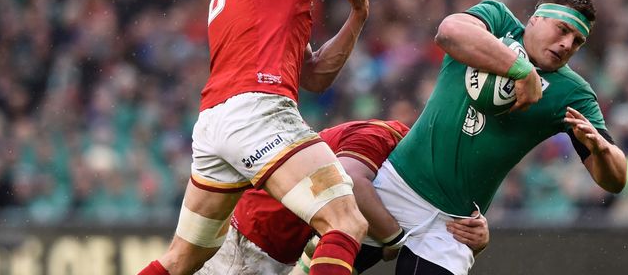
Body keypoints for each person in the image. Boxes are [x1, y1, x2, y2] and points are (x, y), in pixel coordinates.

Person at [139, 0, 475, 275]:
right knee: (346, 221)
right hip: (258, 111)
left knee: (182, 259)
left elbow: (314, 75)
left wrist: (358, 15)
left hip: (215, 122)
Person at [371, 0, 628, 275]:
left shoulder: (573, 93)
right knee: (323, 262)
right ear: (536, 18)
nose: (568, 44)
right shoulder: (497, 20)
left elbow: (615, 180)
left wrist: (601, 149)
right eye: (562, 29)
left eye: (577, 41)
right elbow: (449, 31)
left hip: (453, 228)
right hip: (395, 185)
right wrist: (521, 70)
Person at [194, 119, 489, 275]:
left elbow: (439, 231)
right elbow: (349, 182)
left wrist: (476, 239)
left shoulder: (420, 180)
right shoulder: (382, 136)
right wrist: (393, 238)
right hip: (258, 235)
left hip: (292, 244)